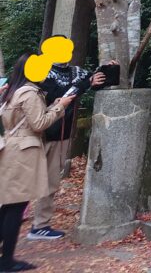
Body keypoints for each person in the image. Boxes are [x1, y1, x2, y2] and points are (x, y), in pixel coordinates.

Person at [0, 54, 77, 272]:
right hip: (24, 152)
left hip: (11, 148)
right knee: (16, 207)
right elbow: (39, 123)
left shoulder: (11, 91)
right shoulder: (30, 93)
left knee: (8, 205)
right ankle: (6, 261)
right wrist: (59, 106)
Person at [28, 61, 113, 240]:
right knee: (23, 179)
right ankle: (11, 218)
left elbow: (96, 82)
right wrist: (86, 83)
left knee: (50, 180)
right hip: (37, 134)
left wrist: (106, 68)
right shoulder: (41, 70)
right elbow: (61, 95)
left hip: (60, 134)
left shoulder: (77, 72)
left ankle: (40, 225)